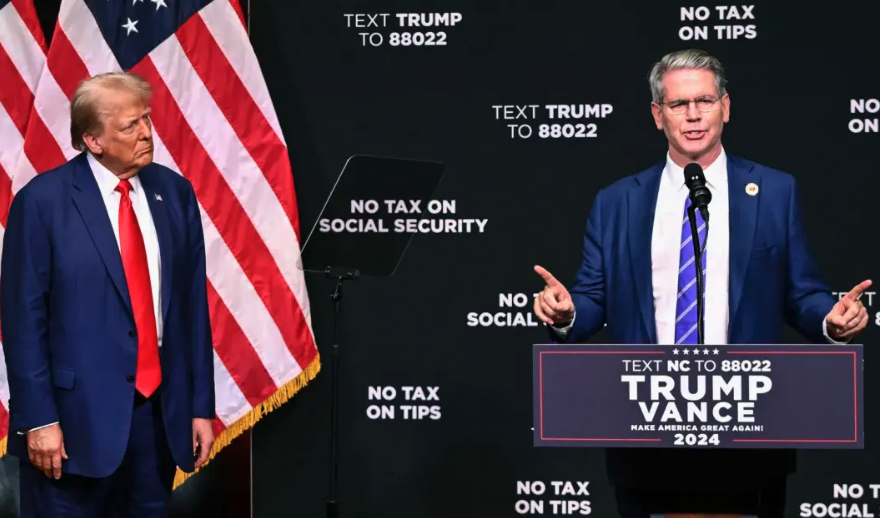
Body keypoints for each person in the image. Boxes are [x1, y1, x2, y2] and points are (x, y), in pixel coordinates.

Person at [532, 49, 870, 518]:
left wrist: (831, 321)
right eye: (678, 104)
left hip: (751, 424)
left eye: (705, 101)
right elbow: (592, 299)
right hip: (645, 425)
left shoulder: (775, 192)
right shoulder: (617, 202)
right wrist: (566, 314)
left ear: (725, 108)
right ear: (658, 115)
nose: (693, 115)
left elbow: (801, 295)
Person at [1, 72, 215, 517]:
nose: (146, 133)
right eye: (130, 126)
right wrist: (39, 420)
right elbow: (23, 322)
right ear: (93, 140)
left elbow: (193, 310)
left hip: (158, 420)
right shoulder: (41, 202)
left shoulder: (174, 193)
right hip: (71, 426)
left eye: (146, 119)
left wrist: (200, 408)